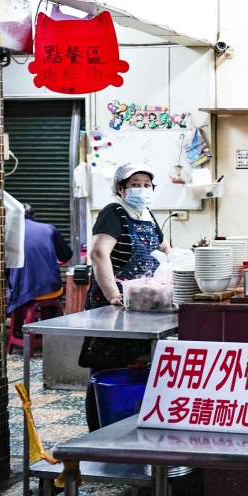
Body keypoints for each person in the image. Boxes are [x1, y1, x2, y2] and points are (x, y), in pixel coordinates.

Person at [80, 162, 170, 430]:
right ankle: (98, 431)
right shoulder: (114, 212)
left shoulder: (147, 215)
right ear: (120, 189)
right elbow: (98, 253)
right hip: (115, 304)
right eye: (135, 185)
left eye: (146, 185)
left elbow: (165, 250)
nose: (142, 189)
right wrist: (113, 295)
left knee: (136, 366)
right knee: (106, 369)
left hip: (141, 303)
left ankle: (130, 427)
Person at [6, 203, 73, 320]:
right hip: (52, 289)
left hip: (22, 293)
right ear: (33, 216)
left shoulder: (7, 233)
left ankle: (18, 329)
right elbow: (66, 256)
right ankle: (49, 325)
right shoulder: (50, 229)